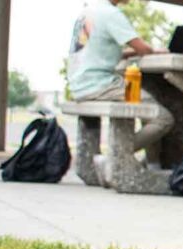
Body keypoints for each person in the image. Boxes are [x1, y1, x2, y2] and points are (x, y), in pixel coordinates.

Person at [68, 0, 173, 159]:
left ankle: (150, 162)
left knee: (147, 106)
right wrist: (155, 51)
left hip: (80, 84)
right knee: (162, 118)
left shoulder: (88, 11)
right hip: (100, 85)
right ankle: (114, 156)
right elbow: (142, 48)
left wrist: (133, 53)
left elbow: (100, 51)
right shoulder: (111, 14)